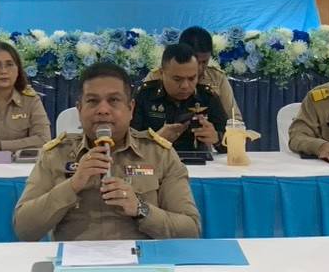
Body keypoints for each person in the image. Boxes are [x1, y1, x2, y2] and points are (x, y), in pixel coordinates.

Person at [13, 62, 199, 241]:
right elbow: (24, 229)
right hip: (76, 266)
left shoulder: (159, 154)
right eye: (93, 101)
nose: (103, 110)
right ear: (79, 109)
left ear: (131, 108)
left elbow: (190, 230)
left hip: (140, 267)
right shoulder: (56, 154)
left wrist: (140, 209)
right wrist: (72, 185)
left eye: (114, 100)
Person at [132, 43, 229, 153]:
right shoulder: (145, 95)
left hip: (199, 165)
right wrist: (156, 140)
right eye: (177, 79)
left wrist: (217, 138)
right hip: (157, 163)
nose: (185, 86)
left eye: (192, 78)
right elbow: (128, 143)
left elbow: (233, 143)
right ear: (161, 73)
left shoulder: (207, 97)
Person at [141, 26, 242, 123]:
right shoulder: (158, 76)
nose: (200, 68)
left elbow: (234, 119)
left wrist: (218, 136)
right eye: (196, 61)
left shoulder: (217, 78)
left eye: (204, 62)